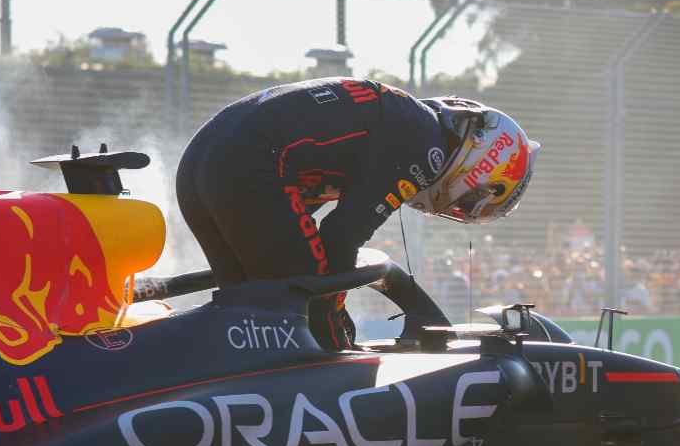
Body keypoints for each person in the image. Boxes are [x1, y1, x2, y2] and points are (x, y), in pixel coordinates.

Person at [175, 77, 540, 350]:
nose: (459, 209)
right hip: (247, 162)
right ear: (480, 163)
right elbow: (341, 237)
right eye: (472, 200)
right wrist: (336, 335)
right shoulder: (424, 145)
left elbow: (305, 228)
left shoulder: (408, 121)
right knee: (304, 299)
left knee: (252, 313)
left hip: (200, 164)